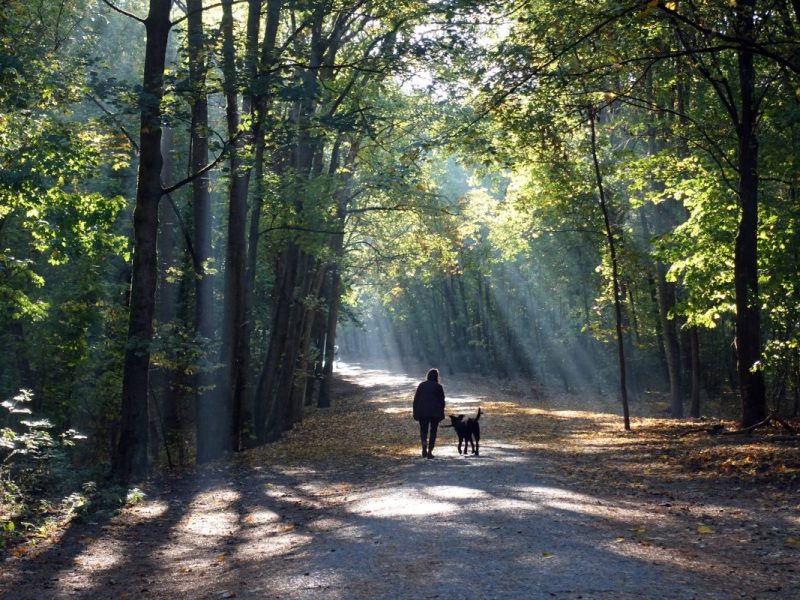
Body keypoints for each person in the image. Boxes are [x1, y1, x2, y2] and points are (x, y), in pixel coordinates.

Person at [412, 368, 445, 459]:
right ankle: (430, 451)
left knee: (423, 431)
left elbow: (416, 400)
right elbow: (442, 402)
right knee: (433, 431)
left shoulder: (421, 385)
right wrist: (442, 414)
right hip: (435, 412)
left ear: (428, 375)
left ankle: (424, 446)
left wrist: (415, 412)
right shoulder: (438, 387)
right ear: (437, 377)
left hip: (422, 412)